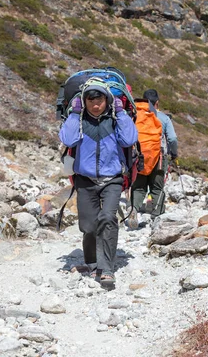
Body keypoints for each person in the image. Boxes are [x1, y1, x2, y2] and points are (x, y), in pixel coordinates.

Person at [59, 78, 138, 289]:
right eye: (91, 100)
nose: (95, 104)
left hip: (112, 179)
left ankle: (106, 269)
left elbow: (129, 140)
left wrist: (121, 113)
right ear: (84, 101)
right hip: (85, 180)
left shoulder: (114, 119)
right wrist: (75, 114)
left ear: (107, 100)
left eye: (100, 99)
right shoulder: (80, 119)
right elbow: (68, 140)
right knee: (88, 226)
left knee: (107, 218)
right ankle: (92, 261)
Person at [131, 88, 178, 218]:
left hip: (138, 156)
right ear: (157, 103)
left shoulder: (135, 115)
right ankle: (157, 215)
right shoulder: (163, 118)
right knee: (157, 187)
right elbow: (172, 139)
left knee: (139, 186)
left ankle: (133, 209)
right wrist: (174, 154)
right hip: (158, 157)